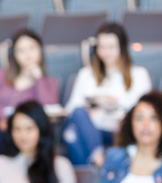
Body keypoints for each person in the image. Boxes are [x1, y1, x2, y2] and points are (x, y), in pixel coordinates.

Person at [63, 23, 152, 166]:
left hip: (121, 129)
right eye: (102, 47)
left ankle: (90, 176)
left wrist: (116, 105)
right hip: (93, 127)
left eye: (111, 47)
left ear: (122, 48)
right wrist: (90, 108)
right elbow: (71, 109)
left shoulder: (139, 74)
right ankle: (98, 158)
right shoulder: (86, 74)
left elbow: (144, 109)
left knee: (71, 136)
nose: (106, 52)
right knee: (77, 118)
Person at [0, 29, 59, 161]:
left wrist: (38, 79)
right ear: (14, 55)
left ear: (40, 50)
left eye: (32, 48)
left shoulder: (49, 82)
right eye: (21, 50)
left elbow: (50, 112)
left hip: (26, 132)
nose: (27, 55)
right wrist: (3, 121)